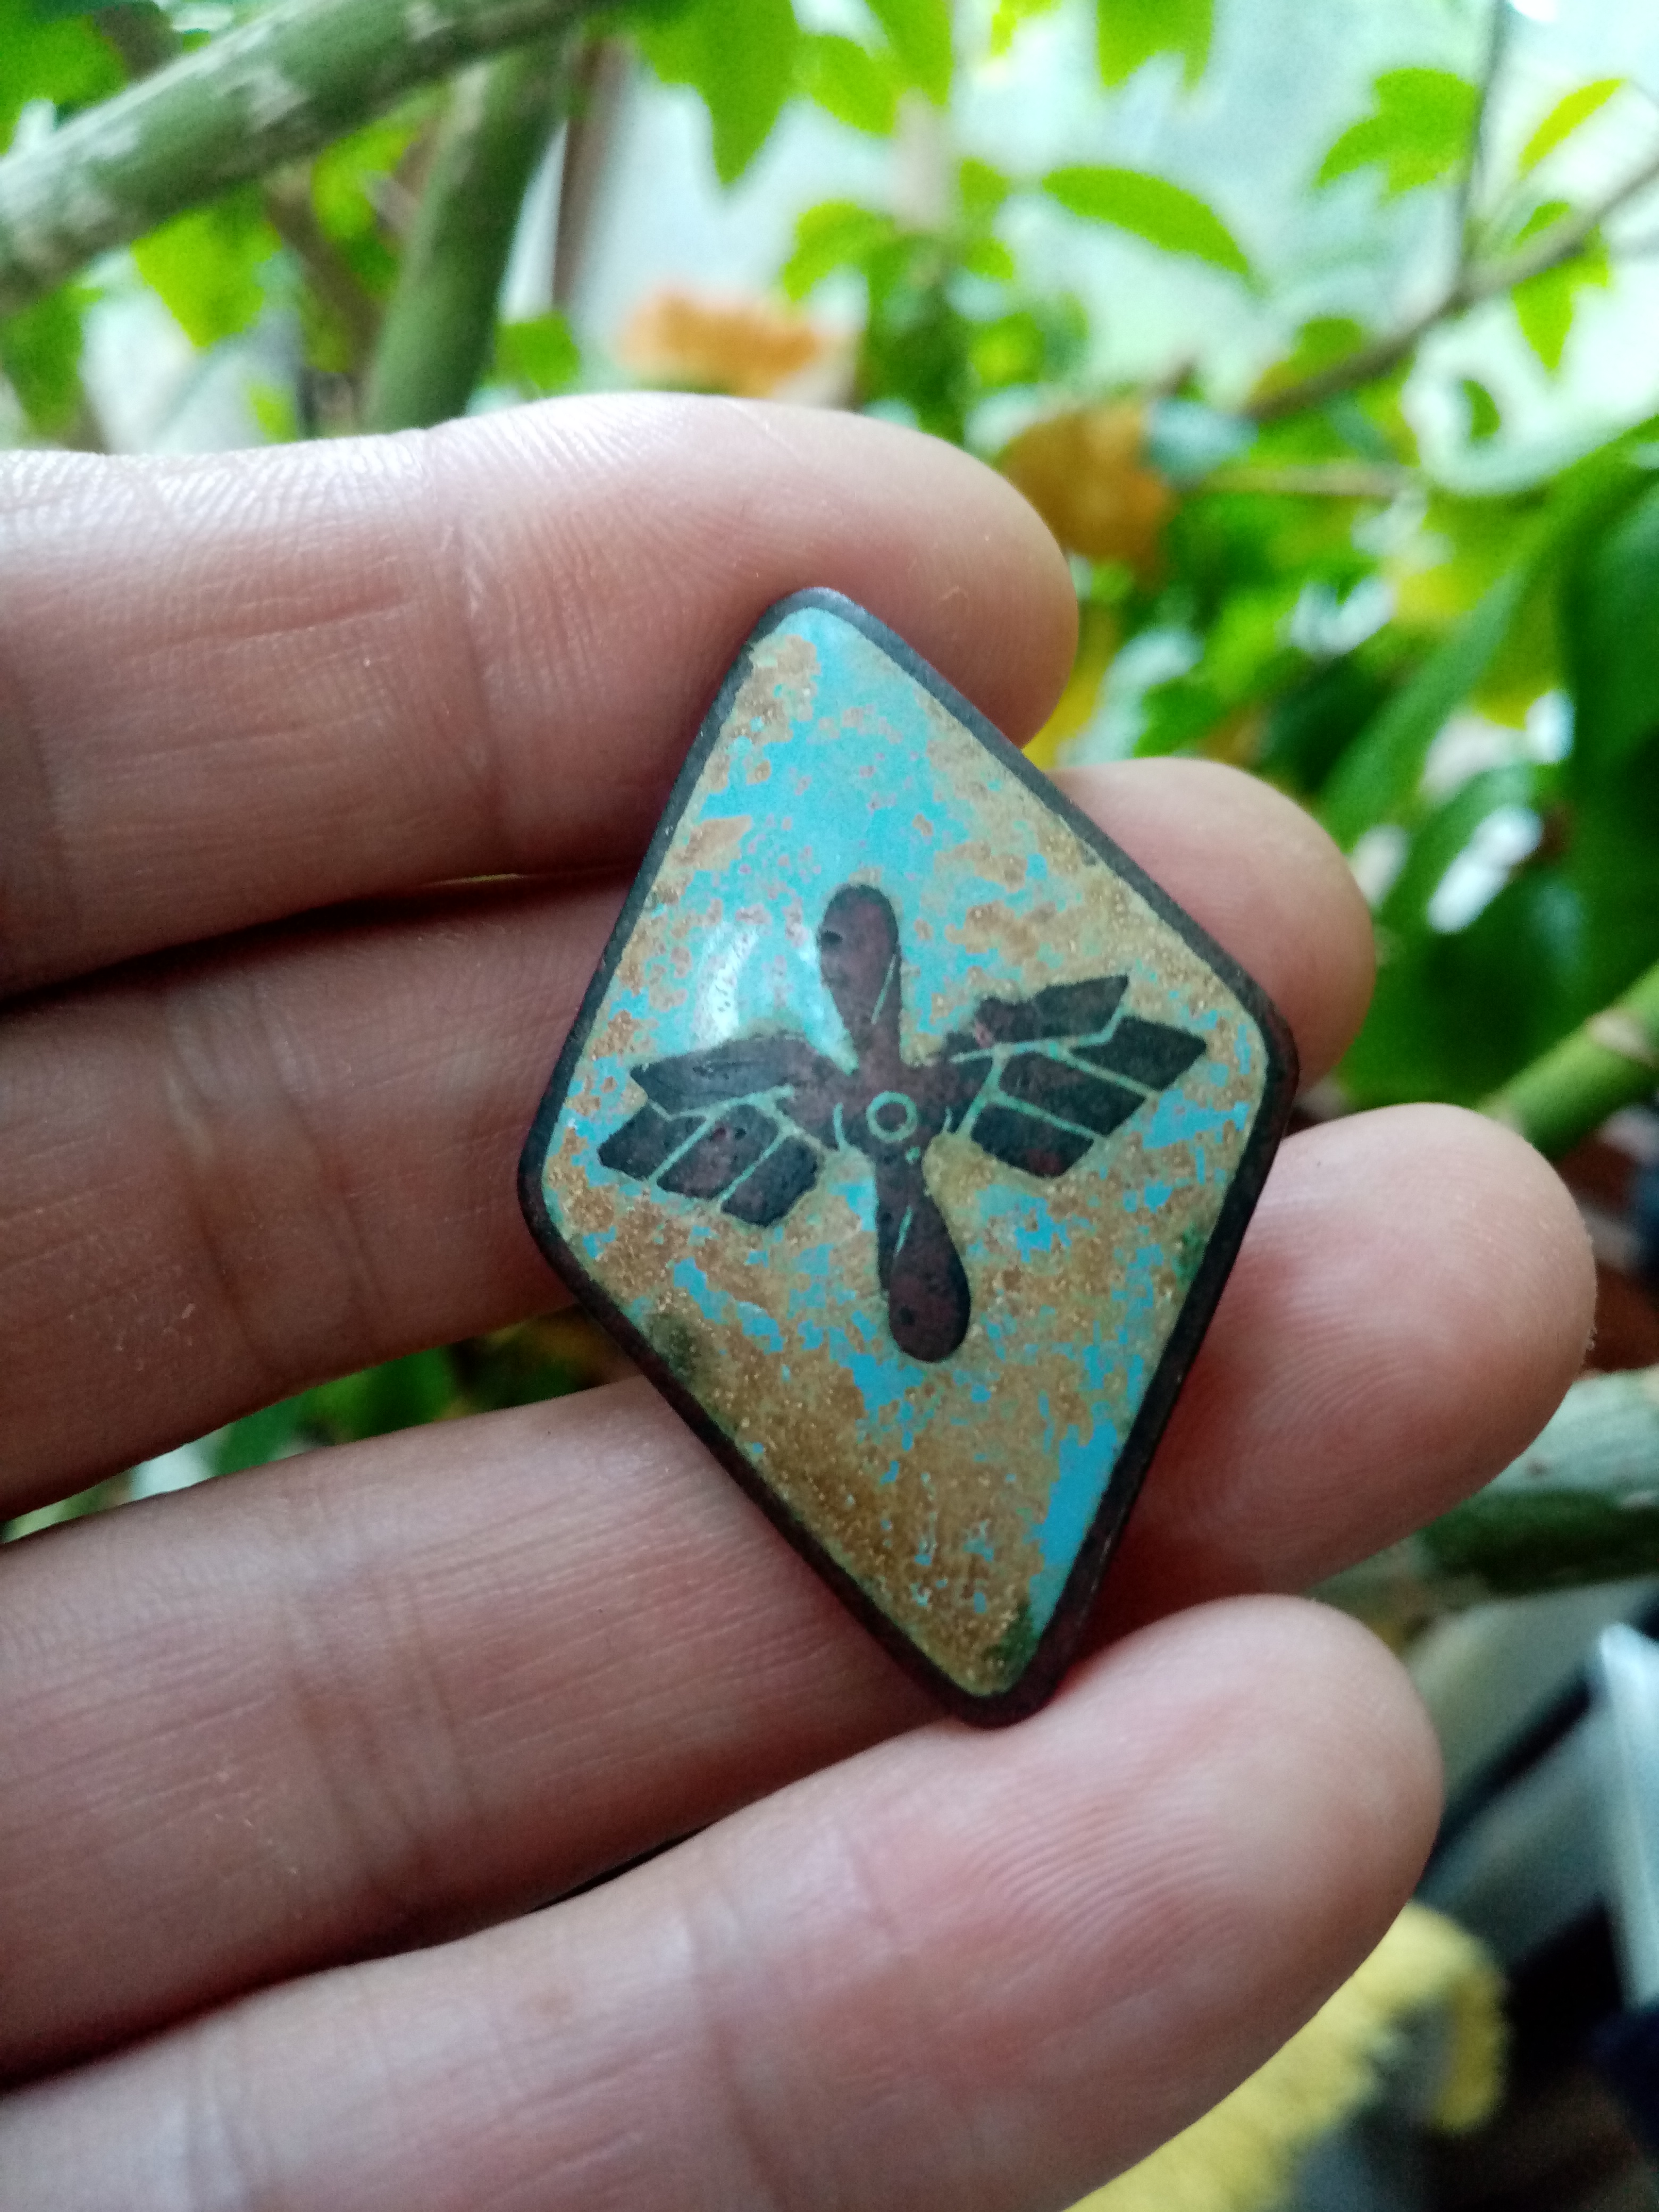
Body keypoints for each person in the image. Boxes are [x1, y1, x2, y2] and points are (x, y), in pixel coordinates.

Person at [0, 397, 1594, 2209]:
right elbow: (678, 1139)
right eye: (857, 964)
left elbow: (1123, 1061)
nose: (864, 976)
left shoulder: (914, 1002)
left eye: (866, 965)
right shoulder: (782, 1037)